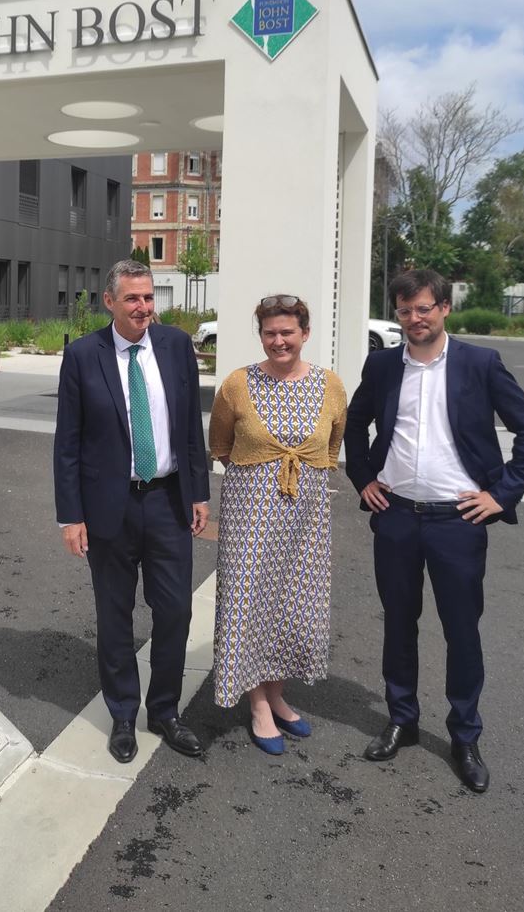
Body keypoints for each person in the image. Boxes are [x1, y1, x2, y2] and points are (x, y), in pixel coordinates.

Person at [344, 268, 524, 793]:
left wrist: (501, 494)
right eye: (406, 310)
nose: (415, 318)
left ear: (444, 309)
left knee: (461, 629)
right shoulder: (384, 365)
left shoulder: (480, 363)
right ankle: (402, 720)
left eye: (425, 308)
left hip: (457, 521)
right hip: (395, 517)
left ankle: (464, 735)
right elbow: (354, 420)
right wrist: (364, 477)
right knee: (398, 622)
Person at [53, 259, 210, 764]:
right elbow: (68, 443)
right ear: (110, 301)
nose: (144, 307)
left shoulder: (175, 346)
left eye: (149, 298)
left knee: (176, 611)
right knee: (115, 616)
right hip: (109, 507)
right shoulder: (82, 355)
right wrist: (70, 515)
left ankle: (164, 709)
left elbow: (190, 427)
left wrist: (198, 493)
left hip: (167, 500)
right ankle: (123, 713)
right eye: (133, 299)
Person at [209, 295, 347, 754]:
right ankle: (257, 705)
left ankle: (278, 693)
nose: (278, 340)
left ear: (304, 334)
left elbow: (332, 446)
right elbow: (221, 442)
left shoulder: (330, 385)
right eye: (270, 333)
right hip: (250, 513)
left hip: (305, 517)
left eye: (287, 331)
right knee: (250, 602)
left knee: (293, 606)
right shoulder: (236, 384)